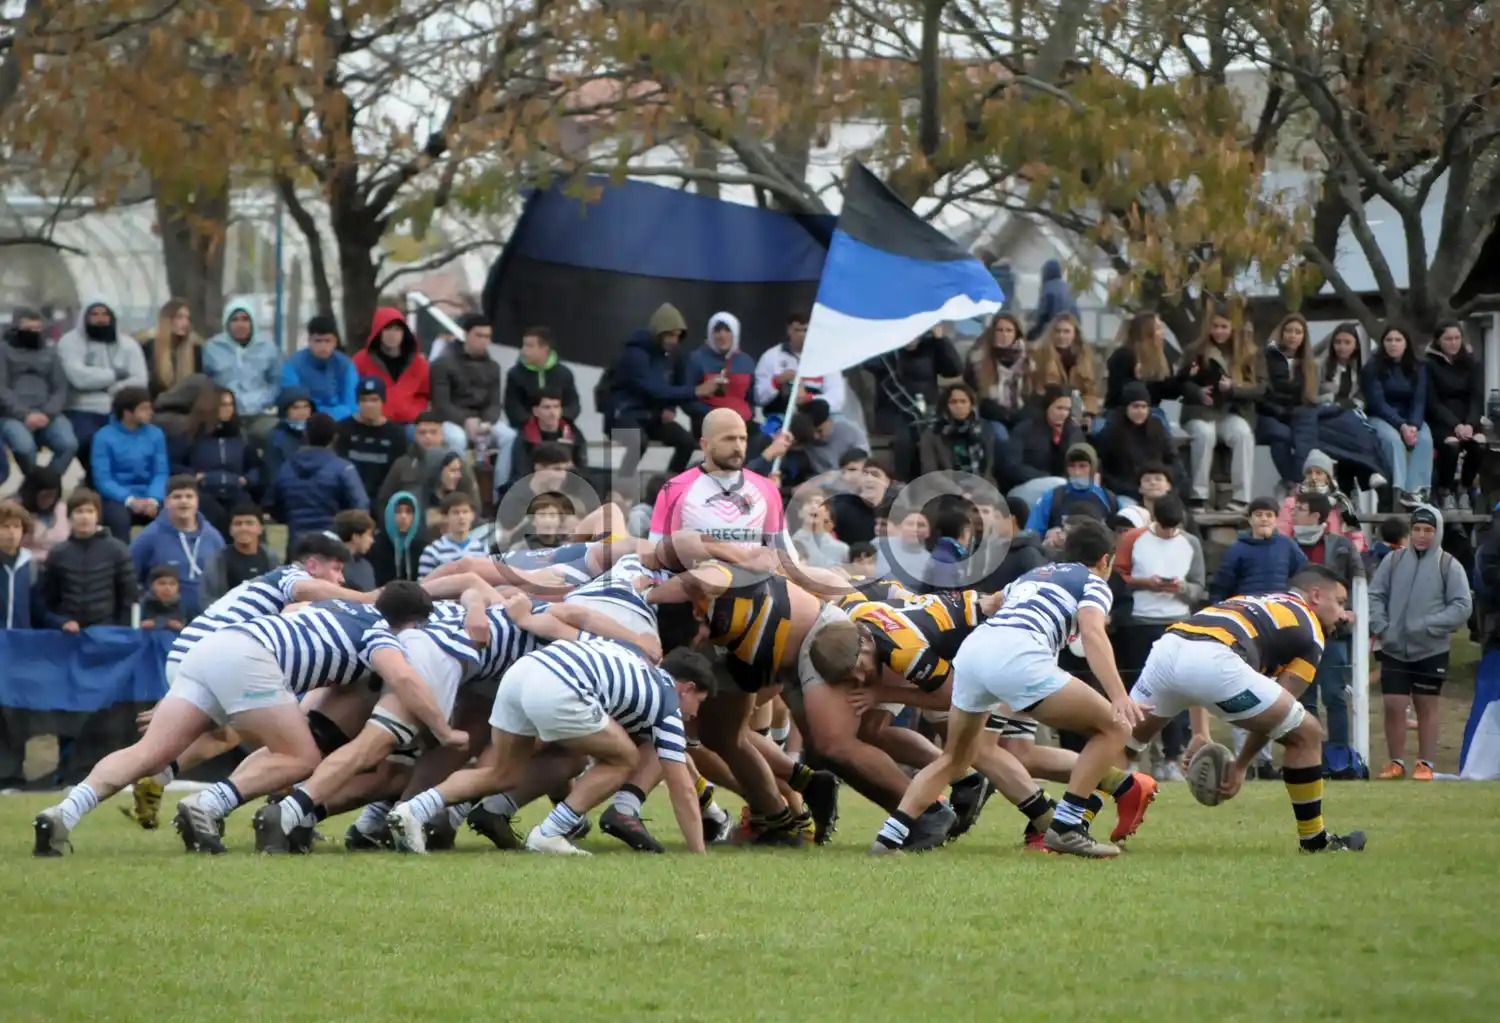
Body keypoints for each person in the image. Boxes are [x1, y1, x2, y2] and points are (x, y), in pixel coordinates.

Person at [33, 582, 433, 856]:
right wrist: (446, 731)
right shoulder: (380, 632)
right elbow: (401, 677)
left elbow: (295, 610)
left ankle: (64, 813)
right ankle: (208, 804)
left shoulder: (335, 606)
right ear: (412, 623)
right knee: (302, 757)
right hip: (251, 658)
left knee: (148, 752)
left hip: (213, 646)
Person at [869, 521, 1147, 857]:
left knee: (956, 758)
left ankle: (888, 839)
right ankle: (1066, 827)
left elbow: (988, 605)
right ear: (1105, 560)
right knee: (1115, 727)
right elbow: (1092, 631)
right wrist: (1118, 695)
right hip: (1018, 655)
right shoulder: (1094, 582)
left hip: (974, 653)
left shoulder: (1034, 575)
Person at [386, 638, 712, 856]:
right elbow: (682, 789)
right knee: (626, 758)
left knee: (501, 773)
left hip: (523, 672)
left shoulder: (632, 657)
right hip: (561, 686)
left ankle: (413, 810)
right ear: (687, 688)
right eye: (700, 702)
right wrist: (698, 853)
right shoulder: (668, 705)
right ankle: (550, 833)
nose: (696, 714)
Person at [1128, 565, 1366, 852]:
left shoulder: (1255, 600)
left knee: (1125, 742)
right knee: (1306, 733)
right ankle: (1314, 840)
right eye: (1340, 602)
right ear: (1315, 595)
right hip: (1213, 658)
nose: (1343, 614)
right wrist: (1240, 765)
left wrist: (1200, 733)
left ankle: (1080, 821)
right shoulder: (1312, 630)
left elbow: (1197, 653)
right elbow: (1282, 709)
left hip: (1169, 646)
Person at [1369, 504, 1473, 780]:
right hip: (1394, 647)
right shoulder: (1393, 561)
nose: (1422, 535)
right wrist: (1381, 626)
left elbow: (1462, 606)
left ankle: (1425, 764)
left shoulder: (1448, 565)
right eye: (1416, 529)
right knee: (1393, 704)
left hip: (1431, 649)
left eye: (1428, 530)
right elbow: (1375, 594)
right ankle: (1396, 762)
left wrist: (1428, 625)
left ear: (1438, 532)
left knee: (1426, 705)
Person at [1112, 494, 1205, 778]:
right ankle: (1130, 757)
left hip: (1178, 623)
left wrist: (1182, 588)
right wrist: (1145, 582)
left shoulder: (1191, 543)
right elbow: (1118, 578)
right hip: (1139, 622)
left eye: (1174, 528)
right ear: (1154, 519)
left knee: (1176, 691)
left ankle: (1172, 757)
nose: (1169, 532)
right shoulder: (1133, 539)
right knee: (1137, 692)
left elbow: (1199, 587)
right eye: (1164, 527)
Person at [1286, 491, 1364, 762]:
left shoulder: (1342, 546)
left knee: (1334, 695)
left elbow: (1361, 580)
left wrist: (1350, 610)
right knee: (1304, 699)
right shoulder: (1287, 546)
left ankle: (1339, 757)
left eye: (1300, 508)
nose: (1293, 513)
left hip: (1334, 634)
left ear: (1316, 515)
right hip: (1300, 633)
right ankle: (1310, 755)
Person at [607, 303, 713, 475]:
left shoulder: (670, 356)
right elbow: (653, 389)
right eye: (670, 335)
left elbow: (675, 386)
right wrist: (696, 391)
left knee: (686, 442)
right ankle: (622, 484)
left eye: (677, 336)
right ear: (658, 333)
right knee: (638, 442)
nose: (674, 341)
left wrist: (670, 407)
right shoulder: (635, 354)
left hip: (653, 416)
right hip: (625, 414)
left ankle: (670, 483)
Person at [1177, 308, 1261, 512]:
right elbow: (1179, 383)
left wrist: (1234, 388)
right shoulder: (1195, 350)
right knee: (1205, 435)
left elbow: (1260, 388)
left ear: (1233, 328)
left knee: (1243, 434)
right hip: (1199, 411)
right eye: (1215, 326)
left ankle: (1241, 497)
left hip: (1230, 411)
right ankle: (1198, 495)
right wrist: (1197, 391)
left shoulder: (1247, 353)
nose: (1219, 331)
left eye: (1224, 327)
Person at [57, 296, 148, 472]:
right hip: (81, 408)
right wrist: (114, 375)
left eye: (105, 314)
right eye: (95, 314)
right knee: (87, 442)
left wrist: (113, 388)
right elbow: (79, 378)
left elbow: (140, 380)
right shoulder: (69, 342)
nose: (100, 319)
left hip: (119, 407)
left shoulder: (129, 345)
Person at [862, 330, 963, 480]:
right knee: (907, 437)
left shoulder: (931, 345)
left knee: (937, 433)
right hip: (893, 410)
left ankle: (939, 482)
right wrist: (890, 342)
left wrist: (941, 341)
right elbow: (867, 362)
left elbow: (954, 370)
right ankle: (904, 483)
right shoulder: (888, 349)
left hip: (927, 409)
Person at [430, 313, 517, 481]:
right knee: (457, 439)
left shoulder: (493, 367)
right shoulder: (443, 363)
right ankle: (461, 486)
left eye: (487, 337)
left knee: (510, 437)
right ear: (465, 335)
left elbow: (495, 403)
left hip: (482, 420)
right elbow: (441, 403)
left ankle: (501, 487)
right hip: (451, 420)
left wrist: (486, 421)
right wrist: (465, 420)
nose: (483, 341)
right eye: (479, 335)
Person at [266, 412, 370, 551]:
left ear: (305, 435)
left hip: (297, 545)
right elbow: (360, 507)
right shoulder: (344, 469)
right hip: (334, 547)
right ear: (335, 437)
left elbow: (273, 505)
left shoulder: (286, 469)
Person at [37, 489, 138, 630]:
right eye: (79, 511)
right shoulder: (58, 553)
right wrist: (61, 622)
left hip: (107, 633)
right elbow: (46, 600)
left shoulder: (117, 550)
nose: (85, 517)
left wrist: (118, 631)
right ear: (69, 517)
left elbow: (129, 597)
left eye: (90, 511)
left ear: (97, 516)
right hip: (69, 634)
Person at [170, 386, 261, 538]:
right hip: (203, 492)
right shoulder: (191, 436)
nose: (229, 409)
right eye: (223, 405)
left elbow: (256, 466)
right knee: (213, 515)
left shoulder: (241, 436)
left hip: (235, 490)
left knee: (248, 515)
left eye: (231, 404)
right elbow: (175, 465)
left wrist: (247, 479)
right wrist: (193, 477)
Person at [128, 475, 225, 615]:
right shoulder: (148, 537)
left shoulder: (213, 537)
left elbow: (223, 581)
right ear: (166, 501)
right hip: (164, 621)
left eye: (189, 496)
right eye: (177, 497)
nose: (183, 501)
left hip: (208, 620)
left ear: (197, 501)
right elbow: (130, 579)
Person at [0, 306, 78, 477]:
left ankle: (47, 484)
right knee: (24, 447)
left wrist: (48, 413)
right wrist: (24, 414)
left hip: (48, 414)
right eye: (28, 328)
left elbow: (60, 388)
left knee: (68, 444)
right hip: (12, 415)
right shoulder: (3, 351)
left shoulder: (50, 352)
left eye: (37, 328)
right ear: (16, 327)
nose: (33, 333)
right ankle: (34, 484)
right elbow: (2, 388)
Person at [1363, 323, 1433, 508]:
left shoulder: (1418, 367)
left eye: (1398, 340)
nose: (1393, 344)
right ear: (1383, 343)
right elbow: (1378, 403)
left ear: (1406, 343)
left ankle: (1415, 490)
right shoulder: (1372, 367)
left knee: (1424, 439)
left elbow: (1419, 400)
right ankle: (1399, 489)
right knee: (1394, 441)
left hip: (1411, 418)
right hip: (1381, 417)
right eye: (1389, 340)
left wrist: (1414, 425)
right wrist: (1401, 425)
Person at [92, 387, 170, 541]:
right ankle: (122, 555)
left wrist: (153, 498)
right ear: (128, 413)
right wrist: (130, 500)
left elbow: (161, 472)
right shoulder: (103, 437)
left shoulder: (156, 434)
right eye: (144, 409)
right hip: (117, 497)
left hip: (149, 494)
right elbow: (103, 479)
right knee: (118, 519)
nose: (150, 412)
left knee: (170, 515)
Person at [202, 298, 283, 443]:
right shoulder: (212, 347)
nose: (240, 324)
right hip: (225, 413)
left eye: (245, 319)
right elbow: (205, 381)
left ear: (252, 322)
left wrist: (265, 398)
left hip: (259, 413)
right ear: (227, 322)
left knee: (277, 436)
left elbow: (277, 380)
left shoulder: (267, 347)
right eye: (235, 319)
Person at [1424, 320, 1485, 512]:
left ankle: (1465, 488)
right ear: (1438, 340)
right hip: (1442, 420)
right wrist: (1455, 425)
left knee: (1479, 443)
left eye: (1457, 338)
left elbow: (1477, 397)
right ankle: (1445, 490)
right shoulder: (1429, 365)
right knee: (1451, 445)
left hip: (1468, 419)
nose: (1453, 342)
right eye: (1448, 339)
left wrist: (1470, 424)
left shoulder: (1472, 363)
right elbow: (1433, 402)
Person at [1258, 313, 1319, 493]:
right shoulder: (1268, 356)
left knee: (1303, 441)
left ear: (1304, 337)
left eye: (1298, 332)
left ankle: (1295, 483)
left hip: (1296, 414)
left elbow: (1310, 396)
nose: (1293, 336)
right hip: (1270, 412)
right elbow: (1262, 389)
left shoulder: (1309, 364)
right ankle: (1294, 483)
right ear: (1281, 333)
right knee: (1281, 436)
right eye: (1289, 331)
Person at [997, 386, 1085, 508]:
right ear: (1047, 407)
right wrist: (1045, 477)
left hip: (1062, 488)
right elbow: (1012, 466)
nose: (1063, 413)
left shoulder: (1074, 432)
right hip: (1023, 488)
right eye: (1059, 408)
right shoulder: (1025, 429)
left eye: (1068, 409)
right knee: (1059, 485)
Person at [1211, 497, 1308, 602]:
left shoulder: (1287, 545)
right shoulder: (1237, 549)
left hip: (1280, 606)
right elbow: (1221, 586)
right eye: (1258, 515)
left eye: (1269, 515)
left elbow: (1304, 574)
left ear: (1276, 520)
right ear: (1250, 520)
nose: (1264, 519)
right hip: (1248, 606)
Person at [1098, 382, 1177, 506]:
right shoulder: (1112, 431)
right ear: (1126, 407)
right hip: (1125, 492)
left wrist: (1164, 482)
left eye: (1144, 407)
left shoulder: (1157, 428)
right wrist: (1131, 489)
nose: (1140, 411)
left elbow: (1173, 459)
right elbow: (1104, 469)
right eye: (1135, 406)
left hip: (1157, 488)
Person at [754, 312, 846, 417]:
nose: (802, 335)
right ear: (789, 330)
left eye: (806, 330)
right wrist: (776, 382)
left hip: (815, 415)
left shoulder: (826, 358)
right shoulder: (771, 356)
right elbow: (759, 398)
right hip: (780, 414)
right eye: (797, 330)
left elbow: (838, 400)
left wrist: (809, 398)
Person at [352, 307, 431, 425]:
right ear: (378, 331)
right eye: (387, 329)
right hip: (373, 423)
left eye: (397, 329)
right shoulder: (361, 360)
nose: (392, 334)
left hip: (410, 423)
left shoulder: (419, 363)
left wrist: (414, 412)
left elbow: (425, 395)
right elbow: (352, 392)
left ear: (404, 332)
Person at [337, 377, 410, 502]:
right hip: (350, 497)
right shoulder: (343, 429)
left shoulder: (396, 433)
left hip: (384, 498)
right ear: (358, 402)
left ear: (383, 401)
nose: (369, 405)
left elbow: (399, 473)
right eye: (364, 400)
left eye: (374, 400)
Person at [963, 312, 1031, 444]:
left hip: (1022, 414)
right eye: (1000, 330)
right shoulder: (978, 359)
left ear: (1016, 334)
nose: (1004, 334)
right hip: (991, 416)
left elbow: (1034, 392)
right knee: (1000, 435)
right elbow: (971, 391)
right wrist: (993, 410)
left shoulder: (1029, 359)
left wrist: (1021, 414)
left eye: (1009, 330)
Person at [684, 311, 757, 432]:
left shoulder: (747, 361)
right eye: (717, 331)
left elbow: (752, 400)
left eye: (727, 330)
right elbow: (687, 400)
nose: (722, 336)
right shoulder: (697, 359)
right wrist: (716, 415)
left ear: (735, 333)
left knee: (766, 437)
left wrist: (746, 414)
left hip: (742, 423)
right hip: (709, 424)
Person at [1025, 442, 1116, 537]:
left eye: (1082, 466)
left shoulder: (1109, 499)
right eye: (1072, 466)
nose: (1077, 472)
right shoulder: (1052, 498)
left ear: (1093, 468)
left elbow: (1120, 535)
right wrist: (1047, 538)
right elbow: (1031, 533)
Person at [281, 315, 358, 421]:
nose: (323, 347)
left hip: (339, 422)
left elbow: (351, 405)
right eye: (318, 341)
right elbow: (292, 404)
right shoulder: (293, 364)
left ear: (335, 342)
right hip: (304, 421)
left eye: (328, 341)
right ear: (309, 341)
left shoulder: (346, 365)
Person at [503, 325, 581, 428]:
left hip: (558, 427)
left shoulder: (564, 374)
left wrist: (555, 420)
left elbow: (573, 405)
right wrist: (535, 424)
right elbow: (513, 407)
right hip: (525, 429)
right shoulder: (515, 374)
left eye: (529, 346)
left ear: (544, 349)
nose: (523, 350)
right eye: (524, 345)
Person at [201, 503, 280, 603]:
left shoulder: (271, 558)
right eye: (238, 524)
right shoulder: (217, 561)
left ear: (260, 528)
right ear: (230, 530)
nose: (243, 528)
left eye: (249, 523)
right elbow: (208, 598)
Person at [1027, 313, 1101, 416]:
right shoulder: (1039, 355)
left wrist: (1087, 414)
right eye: (1057, 331)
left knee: (1090, 423)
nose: (1061, 336)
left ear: (1075, 334)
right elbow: (1037, 390)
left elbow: (1090, 393)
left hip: (1077, 405)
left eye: (1066, 332)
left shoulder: (1085, 357)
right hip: (1047, 407)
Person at [918, 383, 994, 482]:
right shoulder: (932, 433)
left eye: (963, 401)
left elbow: (989, 467)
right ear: (945, 405)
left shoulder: (983, 428)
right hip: (945, 488)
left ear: (971, 405)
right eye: (953, 402)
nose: (959, 406)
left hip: (982, 486)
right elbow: (930, 473)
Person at [1104, 311, 1178, 411]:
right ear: (1147, 332)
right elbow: (1116, 393)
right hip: (1122, 411)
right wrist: (1137, 380)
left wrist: (1185, 375)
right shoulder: (1124, 355)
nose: (1163, 333)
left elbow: (1168, 393)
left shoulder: (1163, 355)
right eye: (1158, 328)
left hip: (1151, 411)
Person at [512, 388, 587, 480]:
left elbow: (582, 470)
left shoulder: (573, 434)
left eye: (556, 407)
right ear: (535, 411)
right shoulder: (525, 437)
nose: (553, 412)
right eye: (547, 407)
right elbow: (521, 472)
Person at [138, 298, 204, 397]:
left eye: (187, 319)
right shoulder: (148, 347)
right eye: (179, 317)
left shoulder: (196, 349)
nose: (185, 323)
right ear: (167, 320)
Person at [418, 492, 485, 577]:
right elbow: (425, 583)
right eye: (456, 513)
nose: (461, 517)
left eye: (465, 512)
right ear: (445, 517)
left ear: (472, 515)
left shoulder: (481, 549)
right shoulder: (433, 552)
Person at [370, 491, 429, 585]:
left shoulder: (423, 547)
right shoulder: (376, 546)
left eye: (409, 512)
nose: (403, 516)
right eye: (398, 511)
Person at [801, 397, 870, 476]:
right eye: (812, 433)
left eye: (819, 431)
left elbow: (865, 458)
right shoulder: (807, 438)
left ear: (829, 421)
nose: (815, 437)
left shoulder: (850, 430)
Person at [0, 501, 40, 629]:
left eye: (17, 526)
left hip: (20, 637)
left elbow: (37, 607)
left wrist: (61, 622)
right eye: (5, 526)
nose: (12, 532)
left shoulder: (30, 563)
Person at [263, 387, 314, 485]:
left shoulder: (315, 433)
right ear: (285, 410)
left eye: (306, 407)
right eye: (295, 408)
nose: (302, 412)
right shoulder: (275, 438)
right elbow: (275, 477)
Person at [18, 466, 69, 565]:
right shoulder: (16, 511)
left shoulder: (61, 509)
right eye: (44, 496)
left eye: (52, 496)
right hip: (27, 564)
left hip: (60, 563)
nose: (49, 500)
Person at [1026, 258, 1081, 340]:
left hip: (1057, 329)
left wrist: (1030, 334)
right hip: (1073, 328)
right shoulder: (1067, 287)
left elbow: (1042, 315)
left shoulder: (1048, 288)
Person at [330, 508, 378, 591]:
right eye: (369, 535)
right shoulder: (334, 567)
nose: (372, 541)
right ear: (355, 537)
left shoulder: (365, 565)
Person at [139, 564, 191, 630]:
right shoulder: (142, 604)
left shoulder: (183, 605)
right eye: (162, 583)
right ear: (152, 585)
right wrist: (141, 626)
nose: (167, 588)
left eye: (172, 584)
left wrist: (181, 628)